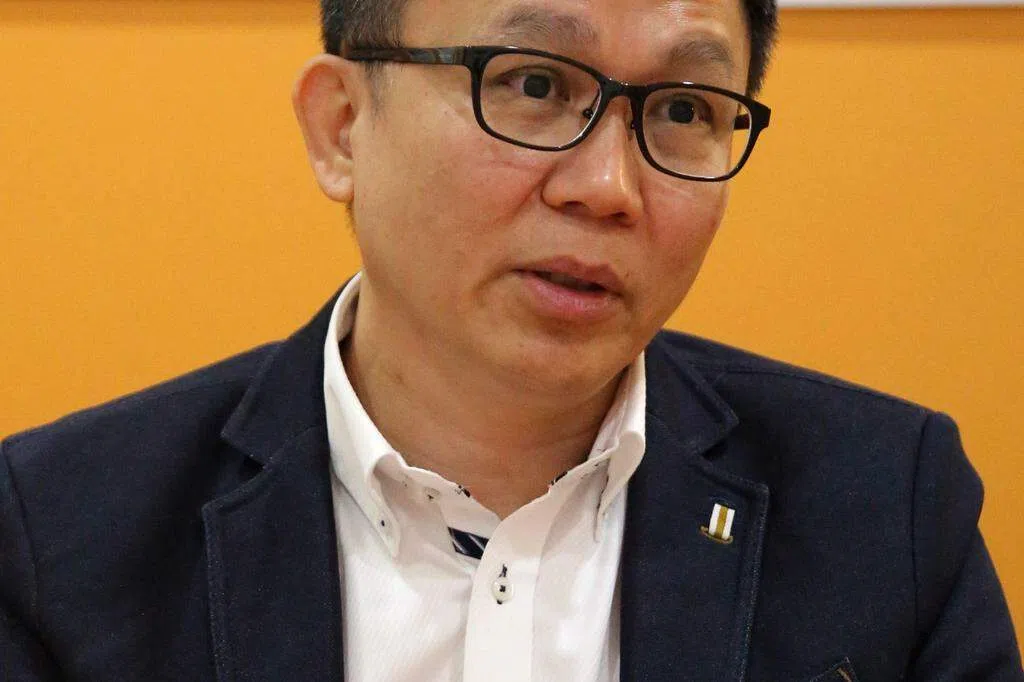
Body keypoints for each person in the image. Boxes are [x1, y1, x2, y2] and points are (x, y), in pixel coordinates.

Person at [1, 0, 1021, 679]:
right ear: (342, 126)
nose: (608, 187)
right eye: (534, 86)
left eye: (681, 108)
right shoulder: (59, 539)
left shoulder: (886, 506)